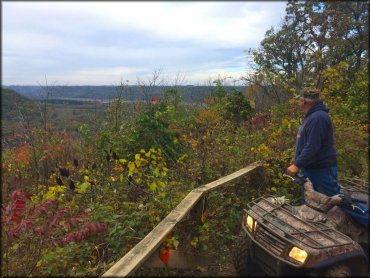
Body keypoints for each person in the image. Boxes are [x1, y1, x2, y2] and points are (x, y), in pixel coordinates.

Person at [287, 88, 340, 204]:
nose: (299, 102)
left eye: (300, 100)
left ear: (304, 102)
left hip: (321, 170)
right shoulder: (311, 116)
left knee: (336, 201)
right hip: (310, 169)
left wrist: (297, 164)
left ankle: (364, 219)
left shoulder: (318, 118)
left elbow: (312, 146)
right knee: (309, 202)